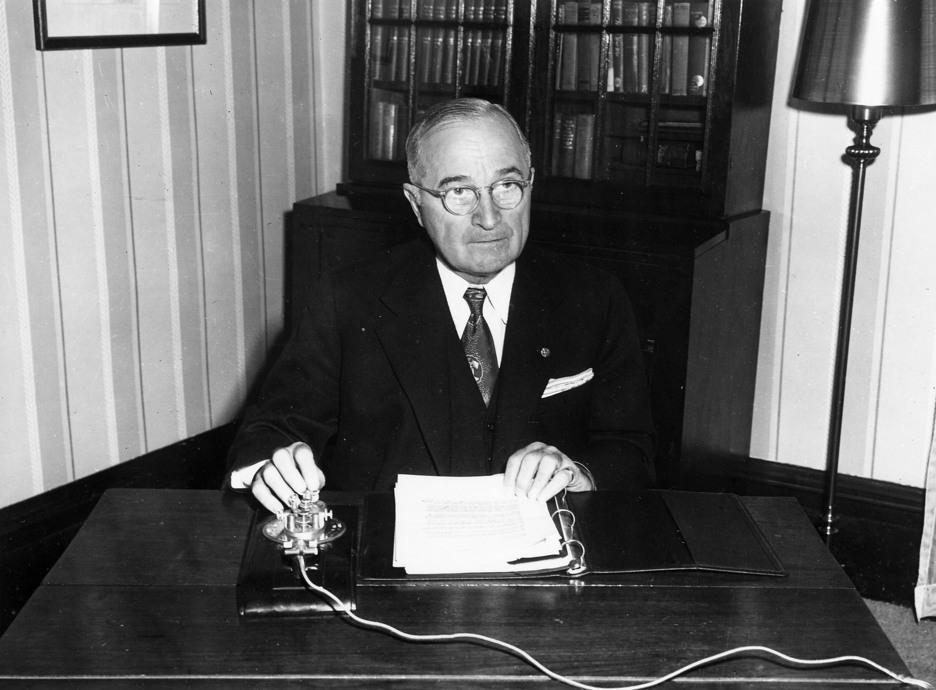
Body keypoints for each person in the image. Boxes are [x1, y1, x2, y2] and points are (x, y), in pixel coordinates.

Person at [226, 98, 654, 515]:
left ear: (530, 185)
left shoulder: (594, 297)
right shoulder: (346, 300)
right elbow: (274, 431)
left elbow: (631, 450)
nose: (489, 217)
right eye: (459, 192)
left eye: (507, 186)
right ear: (416, 205)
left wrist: (580, 473)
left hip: (544, 558)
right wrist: (271, 468)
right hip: (387, 559)